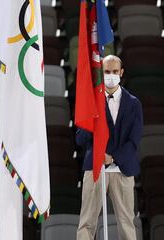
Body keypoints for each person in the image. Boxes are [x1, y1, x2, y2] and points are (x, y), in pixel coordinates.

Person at [76, 55, 143, 240]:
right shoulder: (91, 102)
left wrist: (112, 158)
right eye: (107, 72)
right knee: (87, 222)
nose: (111, 75)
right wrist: (92, 116)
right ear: (101, 73)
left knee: (126, 222)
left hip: (122, 169)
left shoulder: (134, 104)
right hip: (95, 168)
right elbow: (80, 139)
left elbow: (134, 141)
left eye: (114, 72)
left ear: (121, 73)